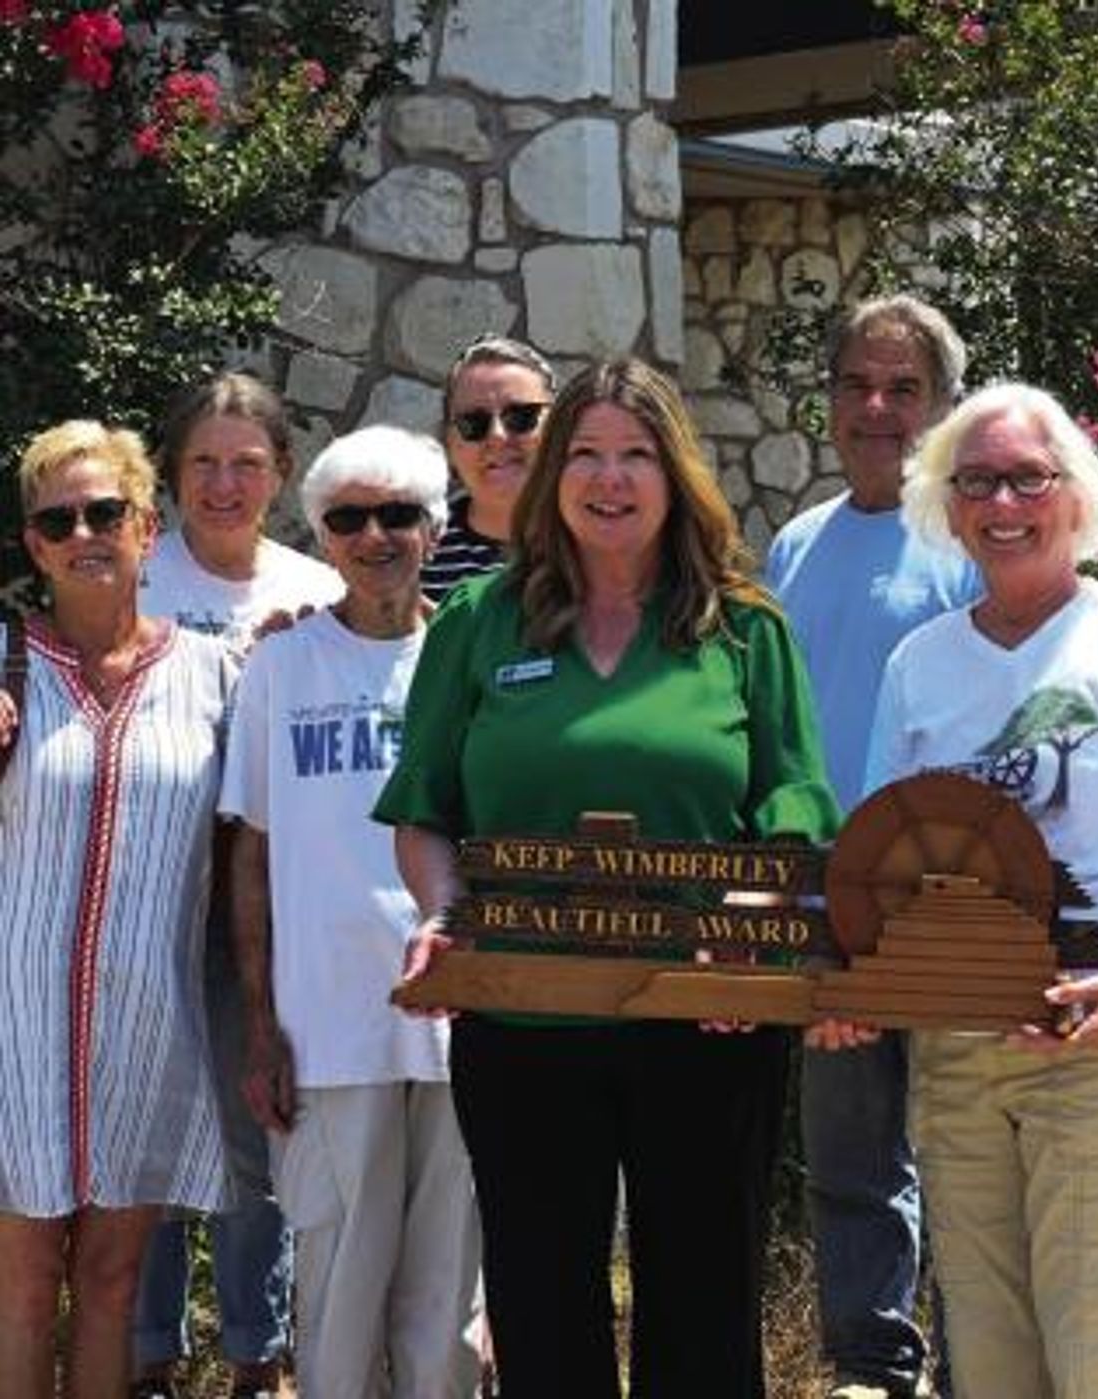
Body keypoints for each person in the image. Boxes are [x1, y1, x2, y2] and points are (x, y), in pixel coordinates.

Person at [375, 357, 840, 1399]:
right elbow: (423, 811)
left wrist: (752, 920)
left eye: (636, 454)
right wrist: (442, 911)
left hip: (707, 1020)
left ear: (677, 475)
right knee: (542, 1313)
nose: (609, 478)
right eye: (584, 453)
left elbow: (798, 803)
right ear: (552, 477)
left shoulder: (745, 629)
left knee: (706, 1311)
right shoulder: (477, 624)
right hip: (522, 1017)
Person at [853, 382, 1098, 1399]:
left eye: (1028, 477)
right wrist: (848, 986)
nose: (1003, 501)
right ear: (947, 501)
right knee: (987, 1352)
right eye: (977, 480)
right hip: (959, 1047)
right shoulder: (920, 663)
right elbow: (881, 862)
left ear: (1076, 495)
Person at [220, 424, 482, 1399]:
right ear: (323, 534)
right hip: (326, 1028)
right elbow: (252, 849)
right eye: (349, 518)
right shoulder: (281, 668)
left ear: (434, 526)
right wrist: (258, 1026)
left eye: (398, 514)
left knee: (447, 1300)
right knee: (336, 1299)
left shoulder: (473, 660)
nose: (375, 536)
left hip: (462, 1019)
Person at [764, 294, 978, 1399]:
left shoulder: (973, 539)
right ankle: (869, 1367)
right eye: (857, 384)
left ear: (943, 405)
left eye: (904, 389)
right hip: (827, 908)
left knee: (961, 1156)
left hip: (951, 902)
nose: (877, 408)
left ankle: (973, 1368)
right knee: (850, 1161)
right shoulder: (796, 543)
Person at [0, 421, 234, 1399]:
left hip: (146, 1022)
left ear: (147, 524)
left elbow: (268, 842)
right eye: (59, 519)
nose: (83, 532)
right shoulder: (2, 665)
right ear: (34, 544)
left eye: (105, 511)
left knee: (110, 1279)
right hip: (16, 1030)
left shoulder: (217, 676)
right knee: (18, 1284)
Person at [132, 372, 342, 1399]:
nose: (223, 484)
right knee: (149, 1135)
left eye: (245, 464)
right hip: (149, 904)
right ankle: (148, 1358)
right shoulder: (133, 578)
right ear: (171, 476)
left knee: (260, 1140)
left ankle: (260, 1359)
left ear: (282, 475)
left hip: (271, 909)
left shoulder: (315, 588)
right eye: (203, 463)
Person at [420, 335, 555, 601]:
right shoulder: (413, 557)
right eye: (473, 423)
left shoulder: (599, 542)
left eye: (521, 417)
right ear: (448, 443)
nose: (497, 436)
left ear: (558, 426)